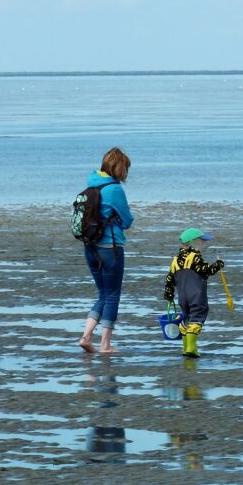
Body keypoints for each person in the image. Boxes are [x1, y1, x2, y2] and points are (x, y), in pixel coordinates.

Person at [79, 147, 134, 354]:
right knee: (112, 296)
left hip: (90, 247)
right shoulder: (115, 190)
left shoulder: (91, 185)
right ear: (119, 167)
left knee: (103, 294)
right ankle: (105, 345)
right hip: (111, 248)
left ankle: (85, 337)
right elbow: (127, 221)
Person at [163, 228, 225, 358]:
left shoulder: (175, 261)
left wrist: (169, 294)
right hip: (196, 295)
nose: (203, 245)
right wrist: (219, 264)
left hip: (183, 298)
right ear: (193, 243)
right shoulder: (195, 257)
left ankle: (186, 348)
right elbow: (206, 271)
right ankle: (191, 348)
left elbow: (169, 280)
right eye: (201, 242)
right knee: (197, 317)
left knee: (186, 318)